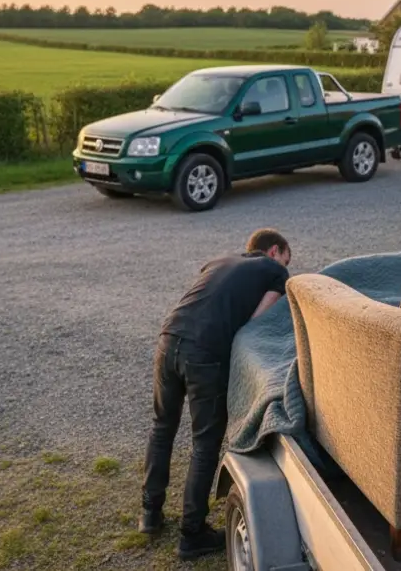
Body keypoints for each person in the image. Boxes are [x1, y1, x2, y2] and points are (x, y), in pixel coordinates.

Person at [138, 228, 292, 560]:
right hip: (204, 354)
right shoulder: (276, 272)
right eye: (286, 258)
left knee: (162, 427)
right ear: (275, 251)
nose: (286, 265)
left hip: (168, 340)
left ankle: (150, 515)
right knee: (205, 444)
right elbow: (255, 325)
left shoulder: (219, 261)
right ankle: (191, 534)